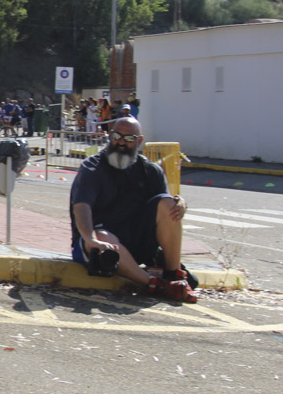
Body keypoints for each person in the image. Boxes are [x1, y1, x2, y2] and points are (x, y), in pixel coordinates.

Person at [69, 117, 197, 303]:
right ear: (110, 136)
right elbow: (81, 207)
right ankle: (154, 284)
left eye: (128, 138)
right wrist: (90, 238)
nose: (121, 142)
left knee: (169, 204)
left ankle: (173, 275)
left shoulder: (151, 171)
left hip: (136, 242)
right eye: (117, 136)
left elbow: (165, 206)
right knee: (104, 237)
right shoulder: (92, 167)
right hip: (100, 242)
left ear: (139, 141)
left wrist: (180, 204)